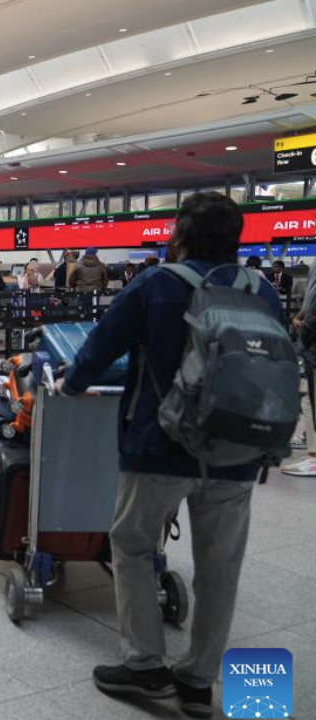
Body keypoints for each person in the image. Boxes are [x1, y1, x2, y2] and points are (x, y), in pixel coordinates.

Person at [57, 192, 283, 718]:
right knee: (220, 568)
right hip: (238, 452)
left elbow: (98, 348)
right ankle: (199, 682)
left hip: (160, 446)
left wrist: (71, 385)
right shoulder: (262, 292)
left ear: (178, 235)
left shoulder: (156, 284)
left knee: (132, 547)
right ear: (237, 240)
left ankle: (145, 668)